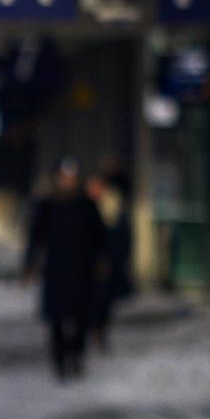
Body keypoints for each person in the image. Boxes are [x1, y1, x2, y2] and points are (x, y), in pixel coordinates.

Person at [25, 158, 108, 381]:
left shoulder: (87, 206)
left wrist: (101, 260)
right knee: (57, 320)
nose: (68, 182)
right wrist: (29, 265)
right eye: (64, 177)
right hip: (56, 271)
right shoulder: (48, 206)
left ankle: (77, 356)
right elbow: (35, 238)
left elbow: (100, 235)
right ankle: (60, 362)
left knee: (81, 317)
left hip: (82, 270)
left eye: (71, 178)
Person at [89, 161, 135, 351]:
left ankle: (99, 331)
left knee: (103, 301)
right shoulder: (89, 207)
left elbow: (121, 235)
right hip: (94, 261)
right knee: (96, 300)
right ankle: (96, 331)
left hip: (109, 259)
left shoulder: (113, 206)